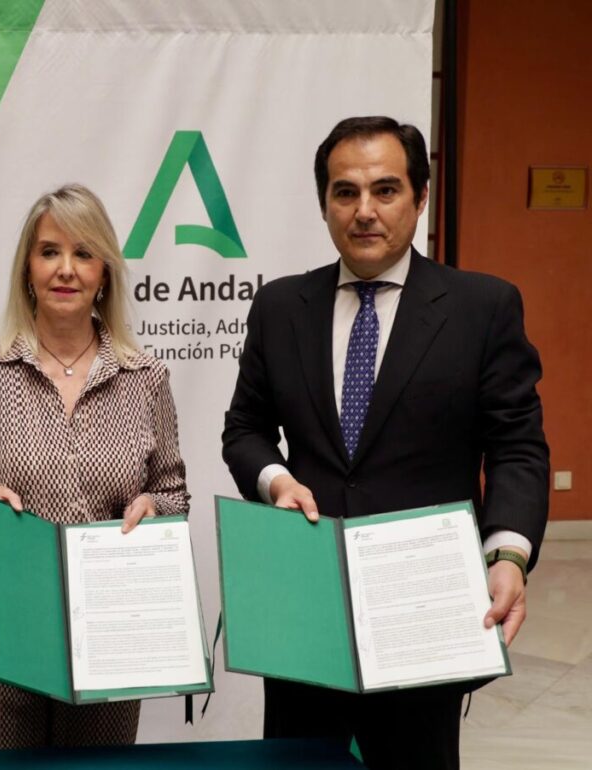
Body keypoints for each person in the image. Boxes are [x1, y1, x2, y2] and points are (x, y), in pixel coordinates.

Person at [222, 116, 548, 769]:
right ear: (324, 203)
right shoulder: (281, 307)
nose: (364, 210)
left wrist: (508, 554)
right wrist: (276, 481)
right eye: (345, 192)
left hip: (423, 608)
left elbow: (517, 445)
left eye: (386, 189)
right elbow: (245, 430)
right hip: (305, 609)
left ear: (420, 197)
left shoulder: (482, 308)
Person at [0, 183, 189, 749]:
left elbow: (173, 494)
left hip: (110, 625)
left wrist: (154, 509)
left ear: (104, 273)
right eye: (49, 251)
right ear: (28, 268)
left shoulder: (146, 378)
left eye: (83, 253)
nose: (65, 269)